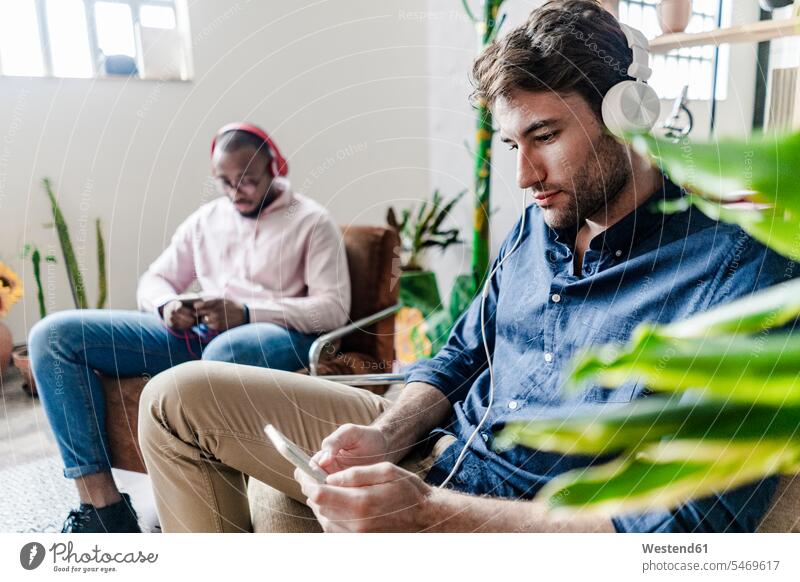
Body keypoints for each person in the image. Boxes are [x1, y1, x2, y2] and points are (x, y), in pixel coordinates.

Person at [138, 0, 796, 533]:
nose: (525, 176)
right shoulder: (545, 217)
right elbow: (461, 353)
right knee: (178, 401)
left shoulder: (738, 266)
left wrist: (433, 516)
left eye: (545, 137)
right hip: (440, 453)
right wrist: (385, 435)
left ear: (628, 114)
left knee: (283, 509)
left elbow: (686, 530)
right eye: (513, 142)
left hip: (521, 523)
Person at [28, 123, 350, 533]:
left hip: (271, 336)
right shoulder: (206, 220)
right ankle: (102, 508)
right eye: (225, 182)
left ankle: (206, 510)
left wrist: (248, 312)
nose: (237, 192)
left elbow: (332, 309)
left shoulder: (310, 221)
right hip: (197, 335)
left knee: (222, 357)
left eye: (248, 180)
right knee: (53, 337)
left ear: (274, 166)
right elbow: (154, 280)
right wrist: (167, 305)